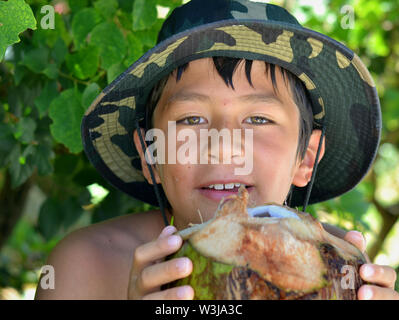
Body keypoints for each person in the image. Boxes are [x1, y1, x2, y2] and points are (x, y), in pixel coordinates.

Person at [35, 0, 398, 300]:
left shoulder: (342, 267)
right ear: (151, 155)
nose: (224, 149)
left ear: (306, 158)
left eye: (258, 119)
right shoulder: (84, 270)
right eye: (191, 120)